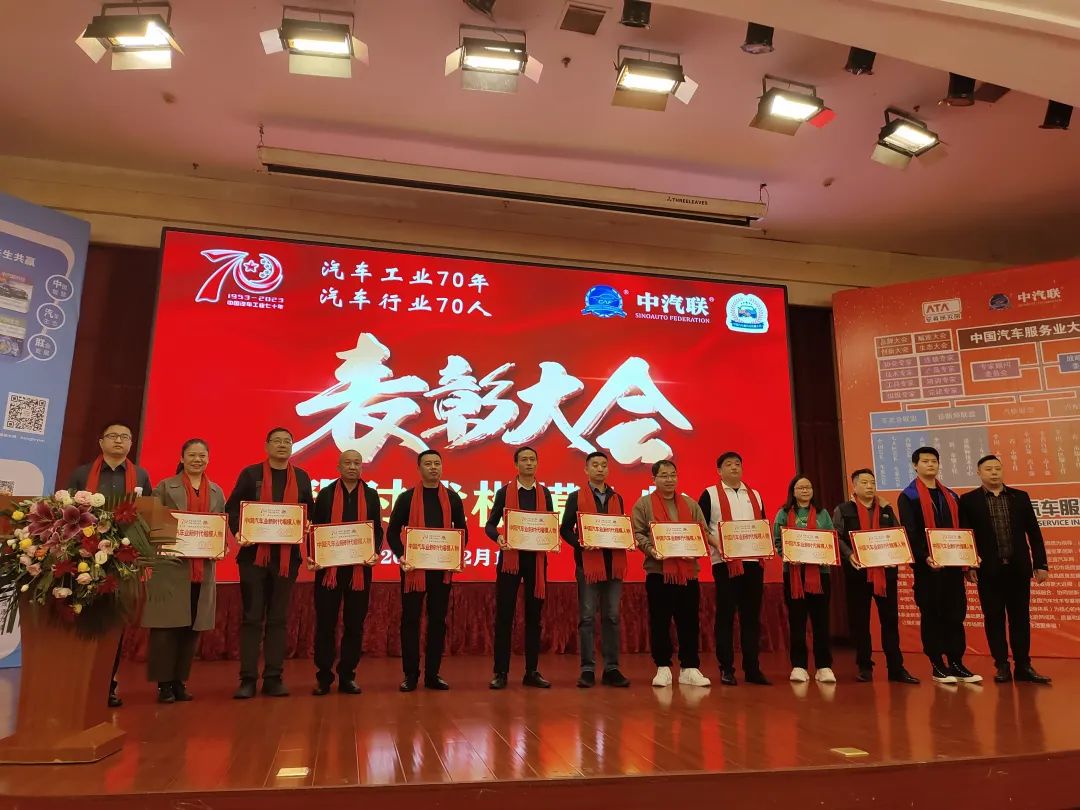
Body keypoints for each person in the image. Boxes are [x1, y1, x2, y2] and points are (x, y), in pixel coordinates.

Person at [68, 420, 153, 708]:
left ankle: (107, 685)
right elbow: (66, 514)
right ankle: (77, 682)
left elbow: (147, 515)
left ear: (131, 443)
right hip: (84, 557)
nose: (119, 441)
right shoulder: (82, 474)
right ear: (101, 441)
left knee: (114, 622)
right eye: (113, 436)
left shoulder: (141, 475)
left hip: (123, 558)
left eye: (125, 437)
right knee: (84, 618)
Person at [225, 427, 316, 699]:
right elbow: (233, 508)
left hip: (286, 560)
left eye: (287, 441)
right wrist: (238, 531)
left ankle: (274, 677)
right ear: (266, 446)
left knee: (278, 618)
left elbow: (308, 511)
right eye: (277, 441)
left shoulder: (301, 477)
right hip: (253, 557)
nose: (282, 445)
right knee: (252, 618)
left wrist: (306, 524)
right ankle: (248, 679)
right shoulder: (250, 474)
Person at [145, 439, 225, 703]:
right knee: (166, 629)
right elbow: (151, 521)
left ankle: (180, 681)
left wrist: (220, 545)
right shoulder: (165, 486)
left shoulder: (216, 491)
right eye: (192, 455)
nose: (197, 460)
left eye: (202, 455)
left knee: (192, 628)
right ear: (182, 458)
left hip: (202, 570)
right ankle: (163, 684)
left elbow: (220, 527)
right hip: (171, 568)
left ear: (208, 459)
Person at [960, 455, 1051, 685]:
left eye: (997, 468)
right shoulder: (969, 501)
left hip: (1018, 569)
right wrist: (969, 566)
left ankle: (1023, 666)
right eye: (988, 469)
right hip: (988, 571)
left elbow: (1034, 533)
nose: (994, 473)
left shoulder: (1020, 497)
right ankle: (1001, 665)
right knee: (994, 619)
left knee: (1021, 619)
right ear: (979, 473)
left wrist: (1040, 564)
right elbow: (966, 537)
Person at [387, 449, 468, 692]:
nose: (433, 467)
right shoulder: (407, 498)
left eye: (437, 463)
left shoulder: (453, 498)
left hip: (441, 570)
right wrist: (402, 555)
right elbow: (392, 532)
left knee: (438, 621)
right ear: (419, 468)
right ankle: (410, 674)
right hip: (413, 570)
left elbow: (462, 532)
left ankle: (433, 674)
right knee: (410, 620)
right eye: (428, 464)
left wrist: (454, 555)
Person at [897, 446, 980, 684]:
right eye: (925, 461)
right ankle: (937, 665)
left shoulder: (950, 495)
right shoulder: (909, 496)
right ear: (915, 465)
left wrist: (969, 561)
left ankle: (956, 662)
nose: (930, 465)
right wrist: (925, 557)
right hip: (928, 568)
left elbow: (963, 530)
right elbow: (910, 532)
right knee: (932, 615)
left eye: (934, 461)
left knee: (955, 614)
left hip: (953, 566)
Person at [833, 469, 919, 684]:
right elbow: (836, 536)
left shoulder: (886, 509)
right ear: (854, 486)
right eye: (864, 483)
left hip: (886, 574)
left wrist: (896, 553)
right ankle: (864, 666)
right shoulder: (843, 510)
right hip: (858, 574)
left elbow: (898, 534)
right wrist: (849, 554)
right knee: (860, 622)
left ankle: (896, 668)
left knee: (889, 621)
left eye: (872, 482)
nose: (869, 486)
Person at [309, 449, 383, 696]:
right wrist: (314, 555)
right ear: (338, 467)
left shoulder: (371, 495)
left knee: (354, 624)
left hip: (359, 571)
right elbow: (316, 529)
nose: (352, 467)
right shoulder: (326, 494)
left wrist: (375, 551)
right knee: (326, 624)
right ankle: (324, 677)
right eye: (348, 463)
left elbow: (377, 530)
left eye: (357, 463)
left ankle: (347, 676)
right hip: (328, 571)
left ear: (362, 467)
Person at [632, 460, 711, 688]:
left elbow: (702, 531)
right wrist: (652, 550)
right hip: (658, 572)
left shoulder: (690, 504)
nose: (669, 479)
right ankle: (663, 667)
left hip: (688, 572)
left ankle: (690, 668)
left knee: (689, 620)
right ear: (654, 479)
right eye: (664, 475)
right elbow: (638, 533)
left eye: (673, 475)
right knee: (660, 621)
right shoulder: (644, 504)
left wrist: (695, 548)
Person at [698, 451, 770, 686]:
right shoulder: (710, 494)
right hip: (724, 563)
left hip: (753, 562)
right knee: (726, 615)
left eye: (737, 464)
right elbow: (701, 527)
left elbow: (761, 526)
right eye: (728, 465)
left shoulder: (755, 495)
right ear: (719, 471)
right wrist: (719, 544)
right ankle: (726, 668)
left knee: (751, 617)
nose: (734, 468)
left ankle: (752, 669)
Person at [560, 451, 631, 688]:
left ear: (608, 469)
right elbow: (565, 529)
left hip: (613, 565)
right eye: (595, 465)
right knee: (587, 618)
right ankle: (587, 669)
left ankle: (612, 668)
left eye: (603, 465)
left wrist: (625, 539)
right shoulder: (575, 497)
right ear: (586, 469)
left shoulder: (617, 498)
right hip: (587, 565)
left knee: (612, 617)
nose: (600, 469)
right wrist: (581, 543)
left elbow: (620, 527)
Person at [486, 447, 555, 690]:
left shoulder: (544, 493)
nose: (529, 463)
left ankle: (531, 671)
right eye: (524, 460)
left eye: (532, 459)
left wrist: (551, 538)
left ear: (537, 463)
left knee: (534, 617)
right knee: (505, 616)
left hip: (536, 561)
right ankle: (501, 672)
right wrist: (498, 538)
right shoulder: (504, 492)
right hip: (510, 560)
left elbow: (549, 524)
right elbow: (490, 525)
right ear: (516, 464)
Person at [772, 475, 836, 684]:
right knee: (797, 621)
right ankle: (798, 666)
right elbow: (778, 541)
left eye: (808, 487)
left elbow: (831, 538)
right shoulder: (783, 514)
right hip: (794, 575)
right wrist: (789, 555)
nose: (805, 490)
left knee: (821, 622)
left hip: (820, 574)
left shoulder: (823, 514)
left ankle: (824, 666)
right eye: (800, 488)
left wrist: (824, 554)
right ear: (793, 491)